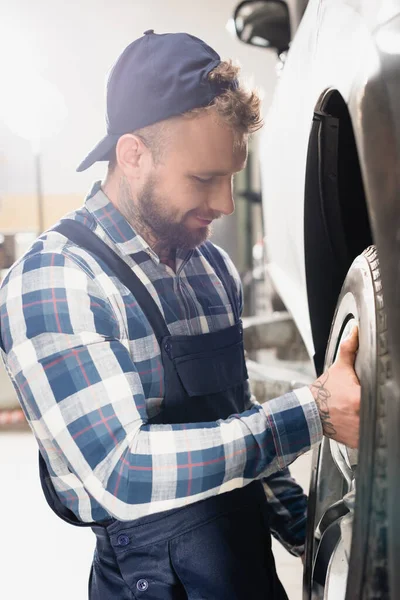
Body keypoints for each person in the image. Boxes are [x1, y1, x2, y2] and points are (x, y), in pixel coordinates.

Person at [0, 31, 360, 600]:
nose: (223, 204)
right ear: (132, 154)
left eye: (232, 177)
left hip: (245, 572)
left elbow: (235, 419)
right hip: (155, 584)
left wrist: (316, 541)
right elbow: (121, 472)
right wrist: (312, 411)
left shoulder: (210, 267)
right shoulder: (57, 278)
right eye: (203, 179)